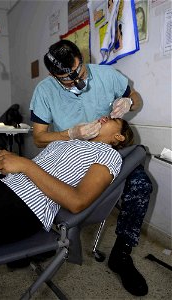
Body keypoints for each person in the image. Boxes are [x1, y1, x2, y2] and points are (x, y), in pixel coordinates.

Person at [29, 40, 152, 296]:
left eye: (81, 75)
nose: (78, 84)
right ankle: (26, 234)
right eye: (67, 81)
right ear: (53, 76)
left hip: (100, 155)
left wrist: (130, 103)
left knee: (141, 184)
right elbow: (39, 138)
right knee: (35, 181)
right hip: (68, 154)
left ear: (82, 60)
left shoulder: (107, 75)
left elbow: (135, 97)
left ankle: (121, 254)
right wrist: (69, 133)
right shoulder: (44, 91)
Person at [0, 117, 133, 248]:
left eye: (113, 119)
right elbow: (42, 164)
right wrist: (9, 160)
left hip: (23, 205)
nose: (105, 116)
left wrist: (25, 164)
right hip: (2, 185)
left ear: (119, 137)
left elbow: (77, 202)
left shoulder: (109, 154)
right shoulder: (71, 141)